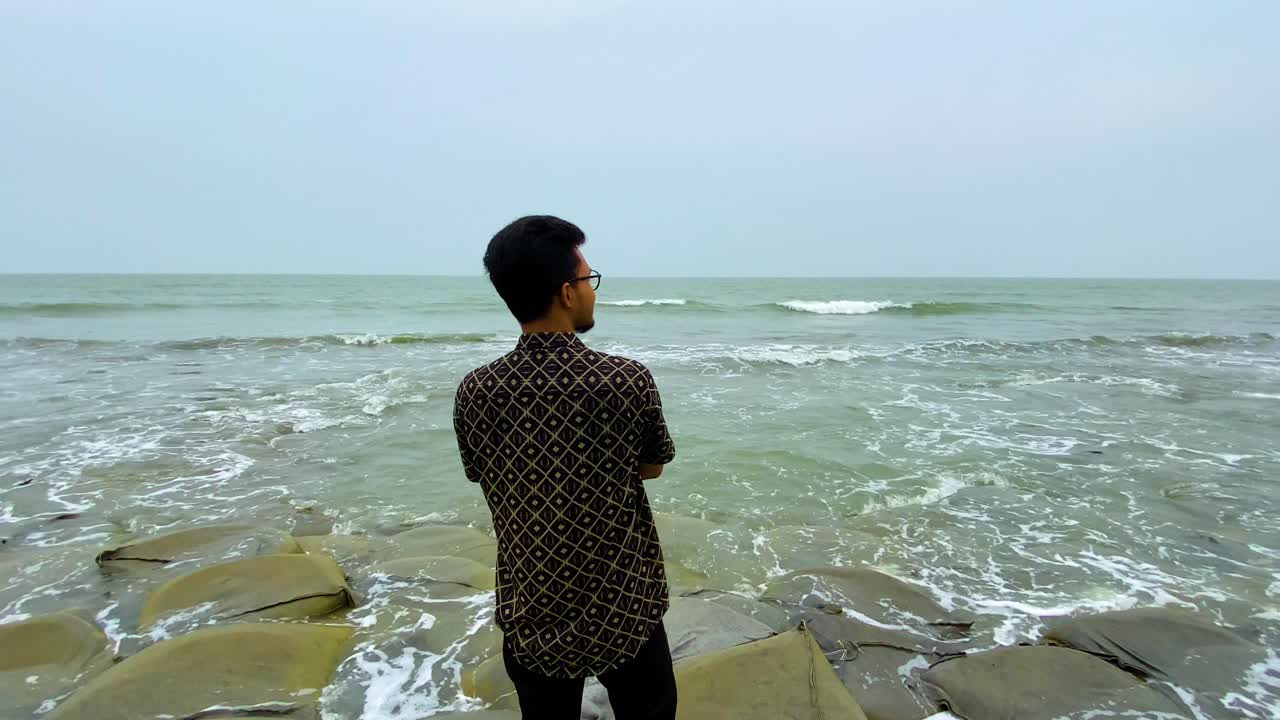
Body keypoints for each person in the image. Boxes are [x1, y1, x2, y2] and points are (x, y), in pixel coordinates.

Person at [453, 215, 678, 719]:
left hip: (533, 605)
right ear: (567, 293)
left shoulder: (476, 391)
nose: (593, 291)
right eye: (588, 280)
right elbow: (652, 467)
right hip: (626, 602)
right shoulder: (625, 380)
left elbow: (480, 471)